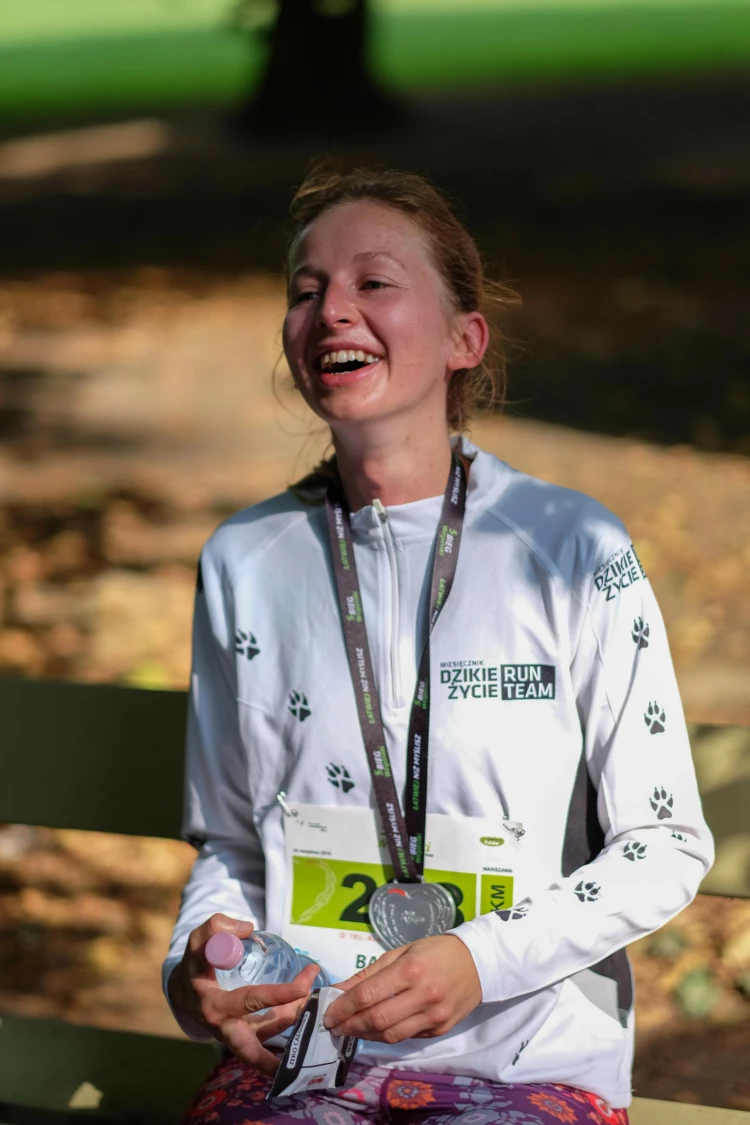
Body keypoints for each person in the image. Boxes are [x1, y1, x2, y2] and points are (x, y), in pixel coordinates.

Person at [163, 165, 713, 1125]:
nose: (332, 308)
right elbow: (231, 839)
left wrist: (480, 957)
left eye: (373, 282)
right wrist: (195, 959)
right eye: (305, 289)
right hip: (310, 1060)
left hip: (526, 1064)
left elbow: (664, 842)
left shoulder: (575, 548)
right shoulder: (244, 559)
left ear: (466, 338)